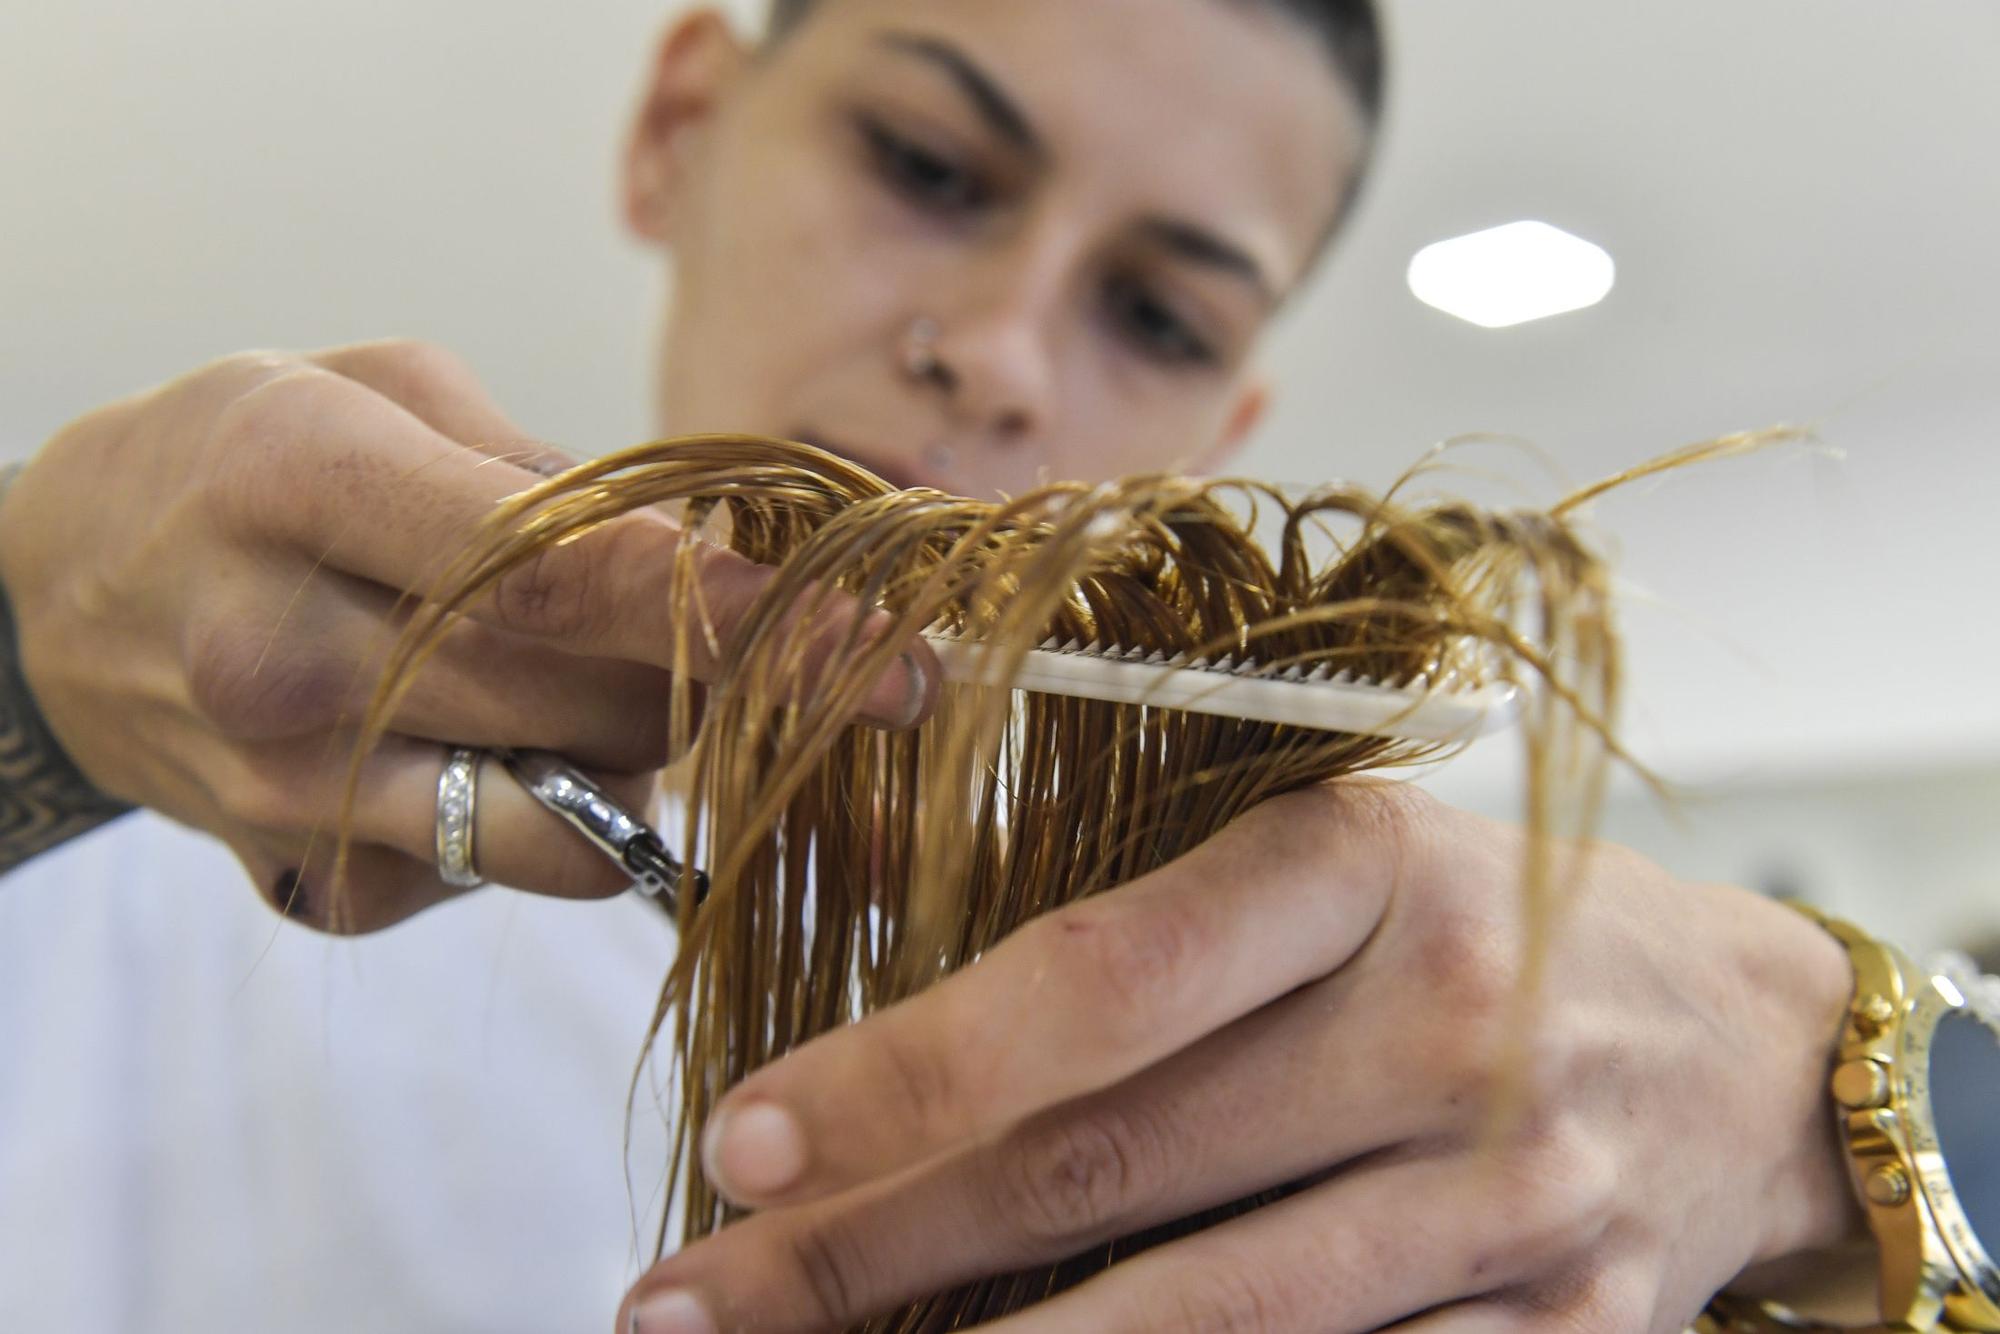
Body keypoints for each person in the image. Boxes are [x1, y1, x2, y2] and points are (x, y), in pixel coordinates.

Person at [0, 2, 1875, 1331]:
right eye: (929, 162)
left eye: (1151, 309)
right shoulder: (171, 786)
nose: (998, 353)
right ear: (678, 129)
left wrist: (1843, 1109)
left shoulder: (1374, 1008)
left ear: (1218, 422)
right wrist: (27, 654)